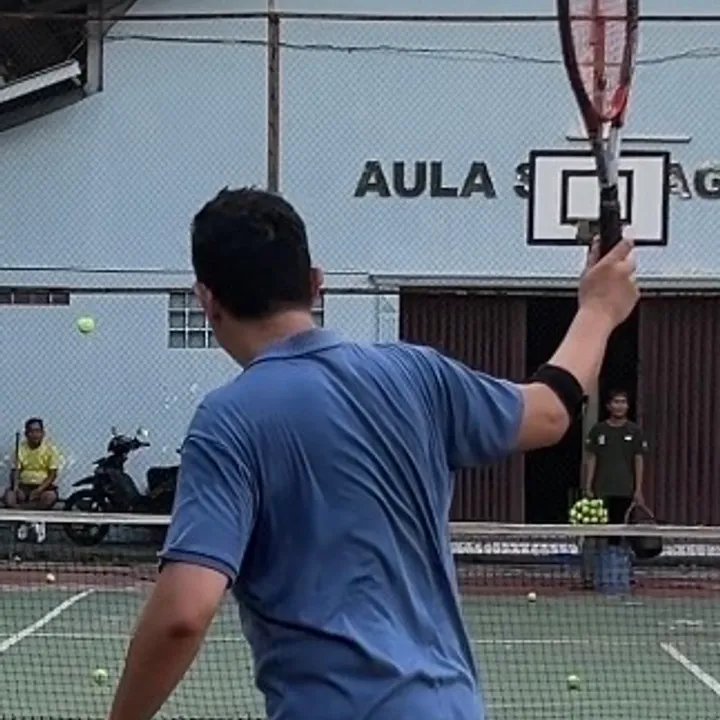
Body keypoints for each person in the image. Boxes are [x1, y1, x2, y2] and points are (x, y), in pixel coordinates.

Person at [108, 188, 638, 720]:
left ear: (206, 300)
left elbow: (184, 613)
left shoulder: (227, 423)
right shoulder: (419, 375)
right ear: (315, 283)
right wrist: (598, 310)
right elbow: (550, 411)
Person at [584, 389, 648, 530]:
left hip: (625, 489)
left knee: (621, 525)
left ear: (628, 406)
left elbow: (638, 459)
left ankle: (618, 545)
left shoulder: (634, 431)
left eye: (623, 402)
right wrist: (588, 486)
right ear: (608, 406)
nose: (620, 406)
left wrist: (638, 489)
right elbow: (592, 458)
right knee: (600, 525)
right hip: (601, 488)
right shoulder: (598, 430)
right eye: (616, 402)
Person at [3, 417, 62, 543]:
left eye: (38, 431)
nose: (35, 435)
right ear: (26, 434)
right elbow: (15, 471)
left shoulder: (50, 449)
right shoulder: (20, 448)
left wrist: (39, 490)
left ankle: (32, 519)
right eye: (31, 431)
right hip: (24, 485)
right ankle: (27, 520)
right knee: (9, 497)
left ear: (43, 433)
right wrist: (16, 487)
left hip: (43, 486)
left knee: (50, 497)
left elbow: (52, 474)